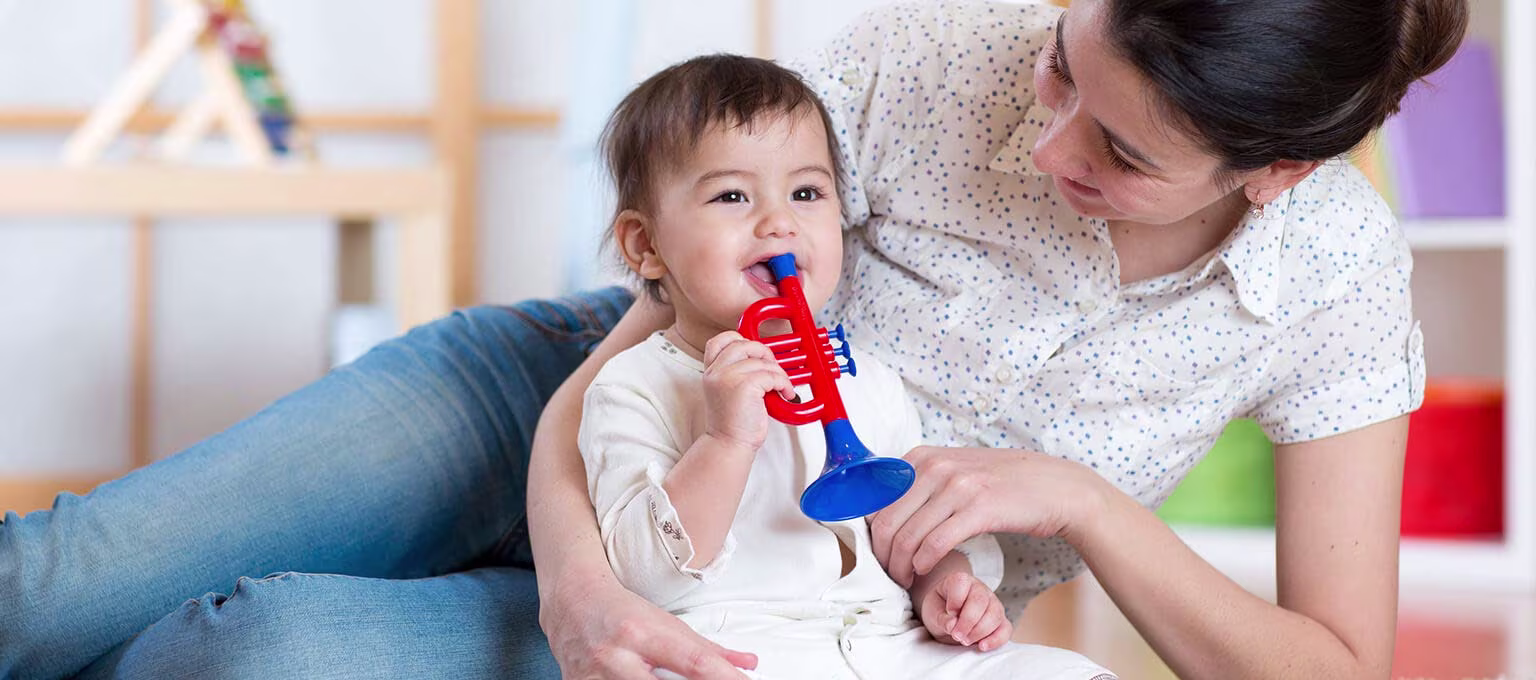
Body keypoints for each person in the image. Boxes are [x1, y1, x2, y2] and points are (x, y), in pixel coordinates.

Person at [0, 1, 1465, 679]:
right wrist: (578, 588)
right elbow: (637, 340)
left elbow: (1334, 667)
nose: (1048, 138)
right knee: (54, 587)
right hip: (577, 395)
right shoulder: (936, 58)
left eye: (1120, 153)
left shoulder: (1332, 284)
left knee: (254, 650)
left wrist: (1079, 503)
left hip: (775, 603)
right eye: (1059, 67)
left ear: (1273, 174)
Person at [577, 53, 1115, 679]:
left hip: (889, 642)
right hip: (737, 648)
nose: (779, 223)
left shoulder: (869, 380)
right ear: (646, 245)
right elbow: (644, 578)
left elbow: (905, 528)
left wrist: (945, 586)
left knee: (1064, 670)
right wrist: (724, 442)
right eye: (732, 196)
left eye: (806, 193)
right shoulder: (630, 386)